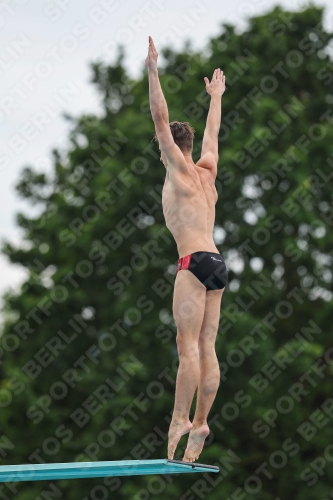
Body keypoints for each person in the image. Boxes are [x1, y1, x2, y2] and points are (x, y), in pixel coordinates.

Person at [146, 36, 228, 463]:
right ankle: (202, 421)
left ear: (171, 150)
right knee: (208, 346)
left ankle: (179, 419)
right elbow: (213, 135)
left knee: (187, 348)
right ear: (191, 146)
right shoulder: (206, 171)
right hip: (217, 263)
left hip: (192, 263)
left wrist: (152, 70)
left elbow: (160, 117)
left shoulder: (177, 168)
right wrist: (216, 97)